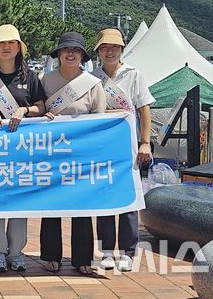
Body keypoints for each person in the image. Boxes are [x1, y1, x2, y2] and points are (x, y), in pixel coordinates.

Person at [0, 24, 46, 272]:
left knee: (18, 201)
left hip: (22, 150)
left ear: (18, 48)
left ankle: (16, 253)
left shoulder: (31, 77)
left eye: (11, 43)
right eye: (1, 43)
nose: (6, 47)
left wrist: (24, 110)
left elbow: (41, 107)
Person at [39, 31, 106, 276]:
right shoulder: (46, 80)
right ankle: (51, 256)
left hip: (81, 153)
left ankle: (82, 258)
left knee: (82, 205)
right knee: (51, 204)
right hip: (52, 153)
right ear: (58, 54)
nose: (70, 54)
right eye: (66, 50)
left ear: (82, 55)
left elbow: (100, 120)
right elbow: (37, 110)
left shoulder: (92, 83)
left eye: (76, 50)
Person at [92, 28, 155, 272]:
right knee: (106, 196)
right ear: (98, 51)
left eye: (115, 47)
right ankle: (107, 251)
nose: (110, 51)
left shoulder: (134, 74)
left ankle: (128, 252)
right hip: (102, 146)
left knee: (129, 199)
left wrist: (145, 142)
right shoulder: (92, 78)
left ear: (122, 50)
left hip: (129, 147)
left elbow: (144, 110)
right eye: (105, 47)